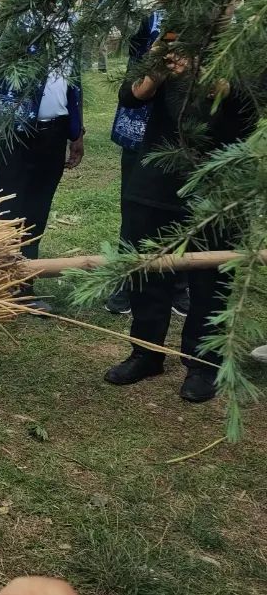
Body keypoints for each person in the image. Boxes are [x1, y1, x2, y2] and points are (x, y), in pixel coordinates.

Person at [103, 36, 256, 403]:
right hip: (155, 177)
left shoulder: (249, 44)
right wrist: (157, 66)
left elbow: (251, 107)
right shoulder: (170, 38)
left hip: (218, 183)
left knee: (211, 278)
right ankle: (145, 351)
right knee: (147, 268)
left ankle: (202, 364)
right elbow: (130, 96)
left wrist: (204, 74)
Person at [0, 0, 85, 308]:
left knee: (39, 203)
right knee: (9, 201)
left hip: (55, 129)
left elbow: (73, 78)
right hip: (18, 126)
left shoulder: (69, 20)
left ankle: (25, 281)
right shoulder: (19, 18)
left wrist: (76, 130)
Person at [105, 8, 189, 318]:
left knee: (187, 212)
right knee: (136, 212)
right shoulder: (152, 21)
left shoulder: (219, 21)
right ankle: (127, 282)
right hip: (141, 133)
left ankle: (180, 283)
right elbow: (132, 77)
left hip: (188, 135)